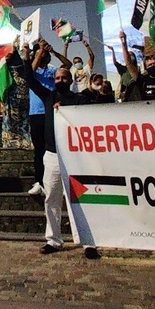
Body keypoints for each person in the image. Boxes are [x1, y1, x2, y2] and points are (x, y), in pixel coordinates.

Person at [24, 46, 98, 259]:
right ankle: (53, 240)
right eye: (57, 78)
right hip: (53, 156)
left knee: (81, 200)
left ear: (70, 79)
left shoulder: (79, 100)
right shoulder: (48, 97)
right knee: (52, 199)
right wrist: (36, 53)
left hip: (75, 158)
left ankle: (88, 241)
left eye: (64, 77)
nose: (60, 80)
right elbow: (29, 76)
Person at [22, 38, 62, 196]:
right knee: (39, 150)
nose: (42, 56)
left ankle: (58, 182)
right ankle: (39, 181)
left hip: (51, 112)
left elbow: (67, 66)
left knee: (54, 149)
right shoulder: (33, 71)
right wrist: (37, 51)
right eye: (39, 54)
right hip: (36, 114)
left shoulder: (52, 71)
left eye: (44, 54)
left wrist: (51, 51)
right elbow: (29, 73)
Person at [119, 31, 155, 101]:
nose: (153, 66)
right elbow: (129, 63)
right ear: (146, 68)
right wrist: (124, 44)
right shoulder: (143, 80)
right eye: (150, 65)